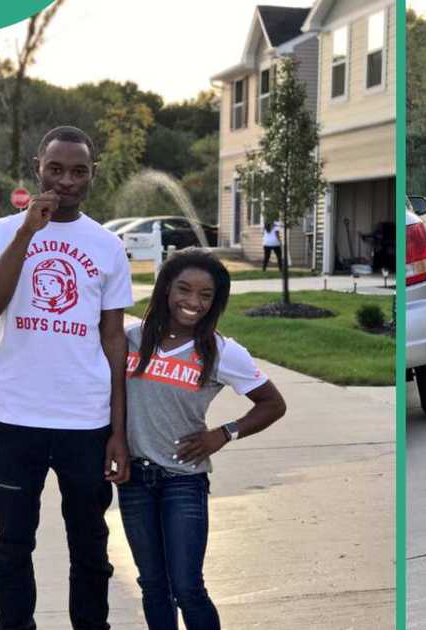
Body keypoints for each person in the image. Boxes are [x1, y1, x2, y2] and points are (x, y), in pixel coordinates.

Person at [0, 125, 132, 630]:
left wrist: (118, 432)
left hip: (85, 423)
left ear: (92, 176)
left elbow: (113, 341)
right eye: (55, 169)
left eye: (78, 171)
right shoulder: (1, 232)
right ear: (38, 166)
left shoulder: (106, 246)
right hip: (18, 420)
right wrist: (26, 233)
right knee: (13, 546)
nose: (65, 181)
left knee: (90, 548)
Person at [121, 248, 287, 630]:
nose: (192, 302)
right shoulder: (132, 339)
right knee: (152, 585)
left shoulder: (222, 352)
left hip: (184, 480)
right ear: (165, 289)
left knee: (188, 587)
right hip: (135, 482)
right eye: (183, 289)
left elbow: (272, 404)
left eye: (205, 295)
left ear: (215, 302)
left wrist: (224, 433)